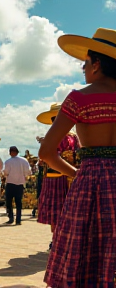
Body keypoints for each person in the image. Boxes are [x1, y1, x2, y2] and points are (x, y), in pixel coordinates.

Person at [39, 27, 116, 287]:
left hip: (91, 180)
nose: (82, 69)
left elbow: (46, 152)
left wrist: (76, 174)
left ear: (97, 64)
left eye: (85, 63)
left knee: (84, 249)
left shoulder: (79, 98)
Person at [36, 103, 79, 250]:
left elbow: (44, 157)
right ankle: (62, 240)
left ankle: (57, 240)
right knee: (66, 210)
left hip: (55, 177)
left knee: (56, 211)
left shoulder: (51, 136)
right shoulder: (74, 138)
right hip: (69, 177)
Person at [2, 146, 31, 225]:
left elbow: (6, 172)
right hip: (20, 183)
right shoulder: (24, 160)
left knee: (9, 202)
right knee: (18, 202)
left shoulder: (8, 161)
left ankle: (11, 218)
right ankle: (18, 219)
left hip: (10, 183)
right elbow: (28, 171)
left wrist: (5, 176)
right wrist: (25, 177)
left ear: (10, 152)